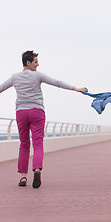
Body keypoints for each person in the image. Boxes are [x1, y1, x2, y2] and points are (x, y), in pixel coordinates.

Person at [0, 50, 87, 188]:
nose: (38, 64)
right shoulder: (37, 75)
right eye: (35, 62)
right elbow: (56, 82)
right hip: (37, 112)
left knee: (24, 144)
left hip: (21, 112)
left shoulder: (14, 77)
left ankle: (23, 177)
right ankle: (37, 170)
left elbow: (1, 88)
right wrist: (75, 88)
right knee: (38, 143)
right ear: (28, 63)